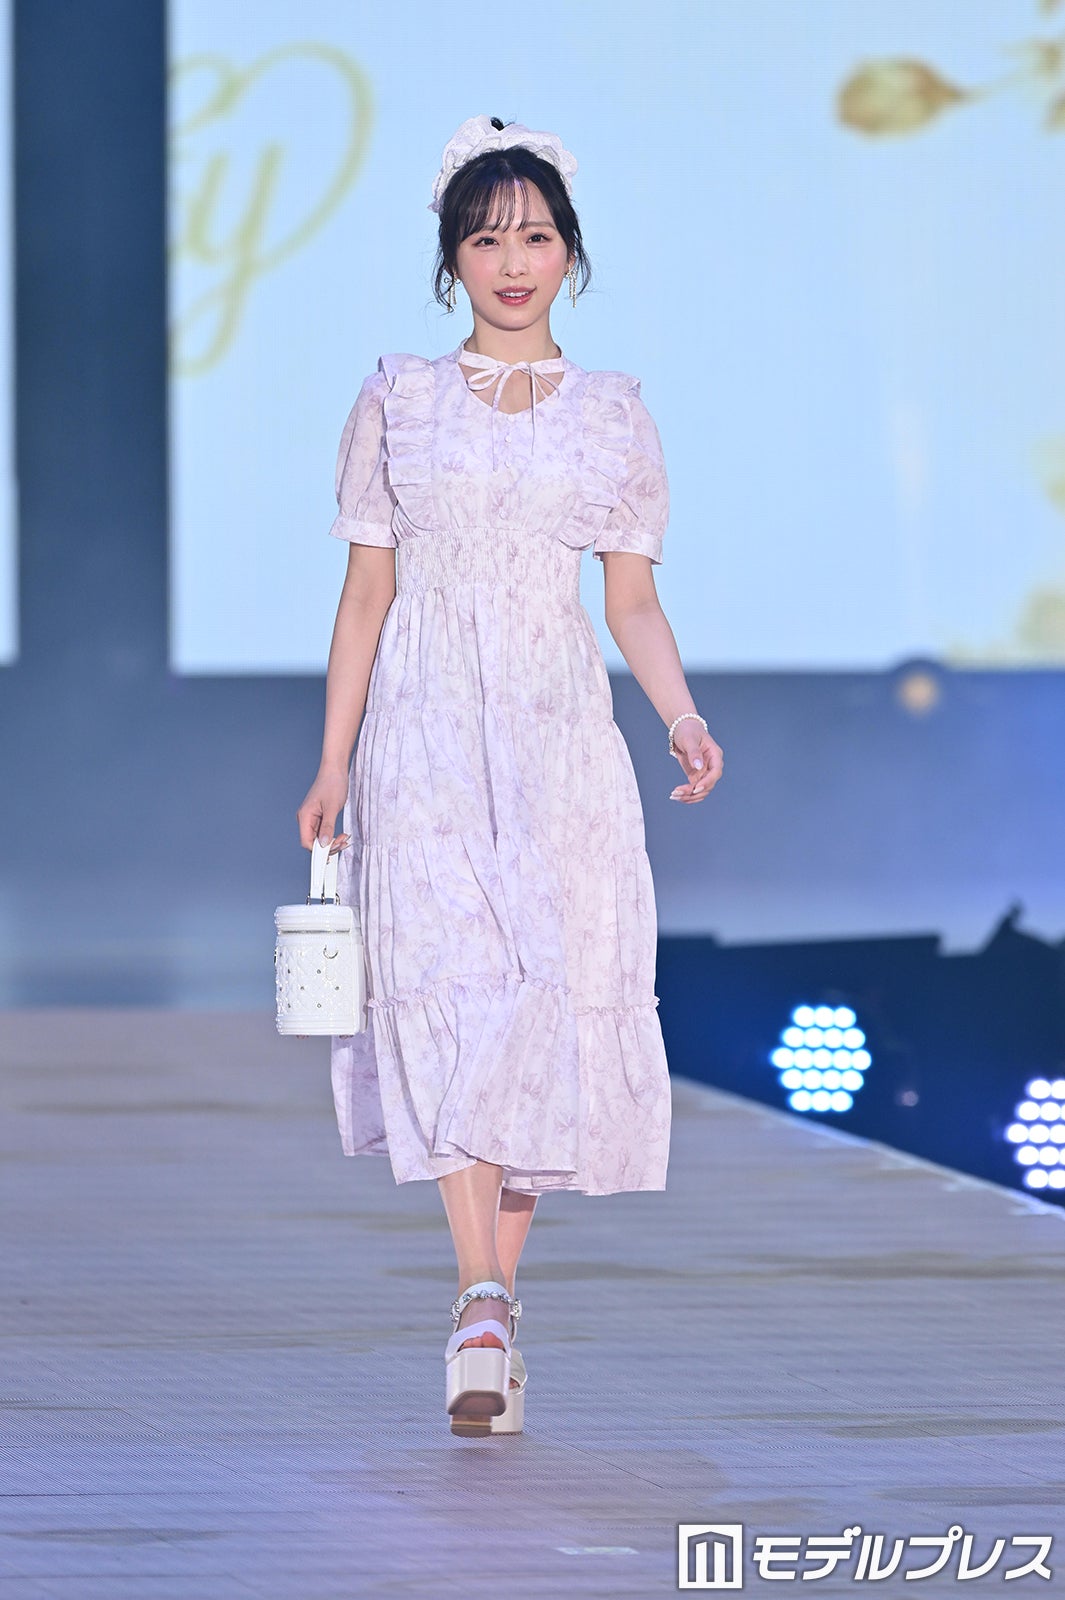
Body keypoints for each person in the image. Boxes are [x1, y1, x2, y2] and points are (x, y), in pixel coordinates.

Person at [297, 115, 724, 1436]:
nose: (514, 260)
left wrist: (680, 715)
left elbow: (631, 602)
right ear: (452, 261)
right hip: (423, 734)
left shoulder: (612, 415)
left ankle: (491, 1307)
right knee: (449, 988)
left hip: (554, 737)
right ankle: (479, 1293)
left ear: (570, 254)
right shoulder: (397, 400)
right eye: (487, 240)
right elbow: (364, 596)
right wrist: (332, 760)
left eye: (535, 236)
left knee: (543, 1000)